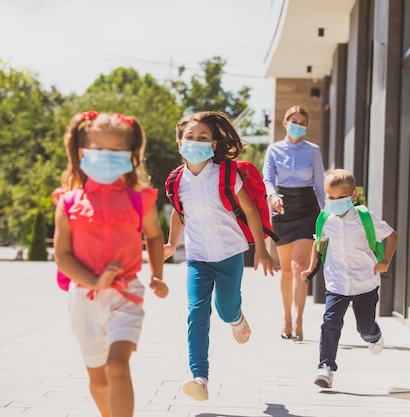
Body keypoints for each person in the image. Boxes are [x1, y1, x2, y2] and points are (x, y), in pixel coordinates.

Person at [53, 111, 169, 417]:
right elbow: (62, 255)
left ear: (130, 156)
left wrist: (157, 275)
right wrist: (94, 281)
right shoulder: (67, 202)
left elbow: (155, 237)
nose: (107, 158)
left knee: (117, 365)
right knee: (99, 381)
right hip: (84, 300)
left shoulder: (138, 198)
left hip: (126, 294)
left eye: (116, 151)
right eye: (99, 150)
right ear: (82, 153)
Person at [163, 110, 280, 402]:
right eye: (190, 137)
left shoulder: (226, 174)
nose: (196, 141)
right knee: (196, 312)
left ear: (213, 144)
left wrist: (261, 250)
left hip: (229, 253)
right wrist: (170, 244)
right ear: (180, 143)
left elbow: (251, 211)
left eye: (203, 137)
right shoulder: (177, 181)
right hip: (198, 257)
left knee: (226, 309)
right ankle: (198, 377)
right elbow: (180, 214)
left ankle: (237, 318)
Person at [301, 169, 398, 389]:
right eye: (330, 197)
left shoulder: (365, 218)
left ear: (353, 195)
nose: (334, 202)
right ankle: (326, 367)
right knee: (330, 324)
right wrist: (310, 268)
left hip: (365, 282)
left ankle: (373, 335)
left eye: (339, 197)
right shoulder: (325, 219)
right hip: (336, 283)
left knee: (364, 327)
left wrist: (386, 261)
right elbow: (320, 244)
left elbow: (392, 235)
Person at [262, 105, 326, 342]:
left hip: (307, 208)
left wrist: (326, 215)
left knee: (300, 265)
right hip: (282, 207)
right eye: (294, 120)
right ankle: (286, 317)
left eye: (302, 122)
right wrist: (272, 195)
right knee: (287, 268)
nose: (298, 125)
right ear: (285, 122)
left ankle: (299, 320)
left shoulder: (313, 151)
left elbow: (320, 185)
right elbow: (268, 178)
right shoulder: (274, 150)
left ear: (306, 127)